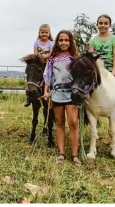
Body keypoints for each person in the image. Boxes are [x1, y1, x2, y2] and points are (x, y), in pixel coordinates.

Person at [42, 30, 81, 165]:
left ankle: (75, 155)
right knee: (59, 122)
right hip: (57, 93)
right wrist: (46, 91)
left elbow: (80, 76)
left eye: (66, 40)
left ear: (70, 42)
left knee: (73, 123)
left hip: (71, 93)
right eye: (61, 40)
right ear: (57, 42)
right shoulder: (53, 58)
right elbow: (48, 75)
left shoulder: (75, 57)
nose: (64, 43)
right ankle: (61, 153)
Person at [24, 24, 54, 107]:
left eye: (46, 32)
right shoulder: (36, 42)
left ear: (49, 33)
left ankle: (51, 91)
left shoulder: (51, 43)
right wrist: (39, 58)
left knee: (53, 73)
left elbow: (51, 53)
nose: (44, 34)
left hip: (48, 62)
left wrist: (46, 57)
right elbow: (35, 53)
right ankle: (29, 96)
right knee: (31, 71)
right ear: (39, 33)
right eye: (42, 32)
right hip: (39, 61)